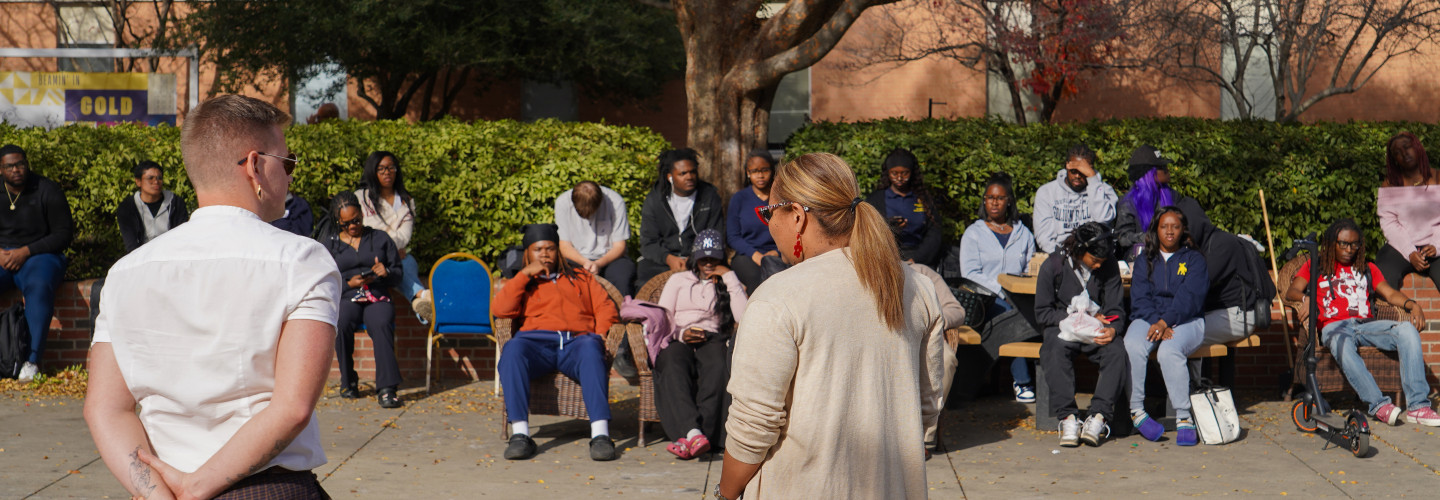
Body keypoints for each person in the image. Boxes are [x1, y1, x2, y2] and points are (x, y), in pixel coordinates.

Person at [84, 95, 339, 499]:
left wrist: (157, 493)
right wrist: (196, 487)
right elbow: (292, 407)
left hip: (162, 488)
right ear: (255, 165)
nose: (291, 176)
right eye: (286, 162)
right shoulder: (301, 259)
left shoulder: (126, 271)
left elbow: (106, 408)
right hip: (265, 488)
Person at [719, 153, 945, 500]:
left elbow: (753, 427)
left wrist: (726, 493)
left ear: (796, 216)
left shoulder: (778, 296)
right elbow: (926, 407)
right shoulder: (918, 286)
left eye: (768, 212)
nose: (767, 225)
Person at [1285, 218, 1439, 426]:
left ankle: (1418, 406)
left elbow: (1391, 294)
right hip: (1334, 326)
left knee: (1407, 330)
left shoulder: (1367, 268)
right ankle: (1379, 405)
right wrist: (1306, 298)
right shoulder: (1316, 265)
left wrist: (1412, 305)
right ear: (1332, 243)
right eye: (1344, 244)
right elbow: (1292, 291)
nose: (1349, 249)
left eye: (1354, 244)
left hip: (1365, 325)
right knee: (1342, 342)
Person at [494, 224, 620, 462]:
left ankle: (601, 436)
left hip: (575, 344)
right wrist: (524, 275)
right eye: (538, 249)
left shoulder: (581, 277)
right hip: (535, 345)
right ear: (527, 254)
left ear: (558, 251)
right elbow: (501, 310)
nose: (544, 254)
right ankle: (520, 436)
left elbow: (605, 307)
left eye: (550, 249)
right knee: (512, 350)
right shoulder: (521, 281)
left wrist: (602, 333)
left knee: (592, 348)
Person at [654, 229, 747, 460]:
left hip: (713, 337)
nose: (708, 263)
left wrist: (729, 277)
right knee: (672, 362)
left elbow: (744, 318)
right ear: (694, 257)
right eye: (703, 258)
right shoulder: (678, 280)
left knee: (717, 365)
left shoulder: (726, 281)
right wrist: (682, 333)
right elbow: (663, 317)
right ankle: (692, 432)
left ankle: (704, 436)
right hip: (678, 335)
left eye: (713, 258)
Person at [1035, 222, 1127, 448]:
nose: (1098, 266)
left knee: (1116, 351)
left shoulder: (1109, 266)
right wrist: (1074, 318)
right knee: (1053, 350)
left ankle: (1098, 417)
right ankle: (1068, 418)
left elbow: (1115, 309)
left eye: (1102, 262)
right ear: (1079, 251)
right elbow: (1042, 312)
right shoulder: (1053, 265)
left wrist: (1113, 329)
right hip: (1063, 327)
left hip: (1097, 329)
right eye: (1094, 260)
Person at [1125, 206, 1209, 446]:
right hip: (1151, 318)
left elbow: (1190, 297)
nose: (1169, 231)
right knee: (1132, 343)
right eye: (1164, 226)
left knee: (1169, 351)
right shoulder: (1145, 259)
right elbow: (1140, 297)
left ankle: (1184, 417)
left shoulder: (1194, 259)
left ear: (1183, 230)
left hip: (1186, 320)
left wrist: (1166, 322)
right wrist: (1157, 321)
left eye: (1175, 226)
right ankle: (1137, 411)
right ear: (1156, 229)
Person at [960, 171, 1038, 402]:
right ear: (984, 200)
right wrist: (1001, 290)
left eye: (1000, 198)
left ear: (1009, 201)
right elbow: (970, 274)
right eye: (989, 197)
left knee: (1023, 314)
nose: (994, 202)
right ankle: (1023, 382)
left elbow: (1030, 267)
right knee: (1016, 319)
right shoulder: (974, 233)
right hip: (986, 300)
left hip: (1019, 298)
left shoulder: (1023, 234)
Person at [0, 144, 73, 383]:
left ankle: (31, 362)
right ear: (1, 169)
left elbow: (63, 234)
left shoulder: (46, 189)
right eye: (10, 166)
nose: (16, 170)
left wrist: (26, 251)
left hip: (39, 255)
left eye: (20, 164)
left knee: (40, 286)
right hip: (2, 255)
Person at [324, 192, 404, 409]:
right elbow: (322, 279)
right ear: (338, 221)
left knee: (381, 321)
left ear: (361, 214)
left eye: (356, 220)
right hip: (347, 295)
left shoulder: (379, 238)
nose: (352, 226)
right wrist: (347, 283)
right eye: (346, 223)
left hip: (376, 294)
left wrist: (385, 271)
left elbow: (398, 273)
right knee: (341, 322)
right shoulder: (329, 244)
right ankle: (348, 381)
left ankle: (387, 389)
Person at [355, 151, 433, 319]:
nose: (387, 172)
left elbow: (405, 236)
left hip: (398, 257)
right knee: (401, 262)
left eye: (391, 168)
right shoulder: (362, 198)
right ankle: (422, 295)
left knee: (408, 262)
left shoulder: (406, 201)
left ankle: (420, 300)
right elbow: (369, 229)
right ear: (373, 172)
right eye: (381, 169)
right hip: (372, 257)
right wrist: (391, 249)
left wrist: (387, 243)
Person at [638, 148, 724, 287]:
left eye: (693, 172)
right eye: (683, 173)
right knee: (645, 284)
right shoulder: (654, 200)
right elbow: (648, 242)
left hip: (702, 258)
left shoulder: (709, 196)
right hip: (663, 260)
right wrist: (668, 258)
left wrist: (696, 257)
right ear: (669, 176)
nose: (689, 177)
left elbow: (716, 234)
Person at [1114, 145, 1209, 259]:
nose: (1167, 169)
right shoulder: (1129, 202)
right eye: (1162, 166)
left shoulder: (1174, 196)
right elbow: (1122, 237)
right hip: (1142, 259)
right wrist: (1153, 238)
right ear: (1149, 172)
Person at [1376, 132, 1440, 297]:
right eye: (1397, 152)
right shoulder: (1389, 185)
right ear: (1394, 160)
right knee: (1383, 274)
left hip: (1436, 245)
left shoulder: (1438, 177)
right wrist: (1410, 252)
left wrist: (1436, 245)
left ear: (1417, 148)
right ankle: (1390, 322)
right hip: (1401, 246)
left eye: (1407, 147)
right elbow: (1389, 223)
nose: (1404, 154)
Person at [864, 147, 943, 268]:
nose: (899, 178)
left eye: (904, 173)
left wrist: (916, 258)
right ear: (888, 172)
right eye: (894, 173)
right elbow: (867, 232)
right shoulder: (875, 200)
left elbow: (934, 233)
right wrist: (891, 227)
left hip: (919, 261)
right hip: (886, 259)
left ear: (912, 172)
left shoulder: (924, 199)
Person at [556, 180, 637, 297]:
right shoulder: (562, 202)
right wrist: (585, 262)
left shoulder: (615, 201)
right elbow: (565, 246)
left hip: (611, 257)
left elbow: (620, 246)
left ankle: (623, 313)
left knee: (622, 278)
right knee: (567, 282)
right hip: (576, 258)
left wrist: (599, 264)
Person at [1034, 143, 1118, 254]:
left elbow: (1103, 220)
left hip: (1091, 256)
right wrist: (1064, 256)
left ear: (1090, 170)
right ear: (1066, 167)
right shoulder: (1046, 192)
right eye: (1073, 171)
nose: (1077, 176)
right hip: (1057, 256)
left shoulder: (1104, 191)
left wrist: (1093, 180)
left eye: (1083, 172)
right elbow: (1044, 237)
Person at [726, 149, 783, 292]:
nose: (761, 175)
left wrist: (777, 252)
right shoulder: (739, 199)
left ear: (772, 170)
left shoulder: (780, 197)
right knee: (755, 278)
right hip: (747, 255)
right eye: (755, 171)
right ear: (748, 173)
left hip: (779, 253)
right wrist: (754, 254)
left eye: (765, 170)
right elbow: (733, 237)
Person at [116, 161, 189, 254]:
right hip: (142, 258)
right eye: (150, 178)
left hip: (171, 255)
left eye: (159, 178)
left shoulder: (176, 203)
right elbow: (131, 245)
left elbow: (181, 237)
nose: (156, 182)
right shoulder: (127, 207)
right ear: (138, 182)